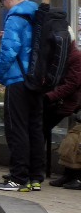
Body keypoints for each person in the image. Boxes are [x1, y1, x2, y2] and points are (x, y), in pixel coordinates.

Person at [0, 0, 45, 192]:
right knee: (35, 128)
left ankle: (18, 177)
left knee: (17, 128)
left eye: (3, 3)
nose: (4, 7)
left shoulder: (15, 17)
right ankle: (35, 177)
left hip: (18, 80)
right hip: (37, 80)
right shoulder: (37, 14)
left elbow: (9, 51)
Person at [43, 41, 81, 188]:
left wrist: (51, 96)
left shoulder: (75, 56)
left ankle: (76, 176)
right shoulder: (66, 54)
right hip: (71, 105)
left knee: (75, 139)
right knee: (73, 139)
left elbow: (72, 84)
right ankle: (69, 174)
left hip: (68, 102)